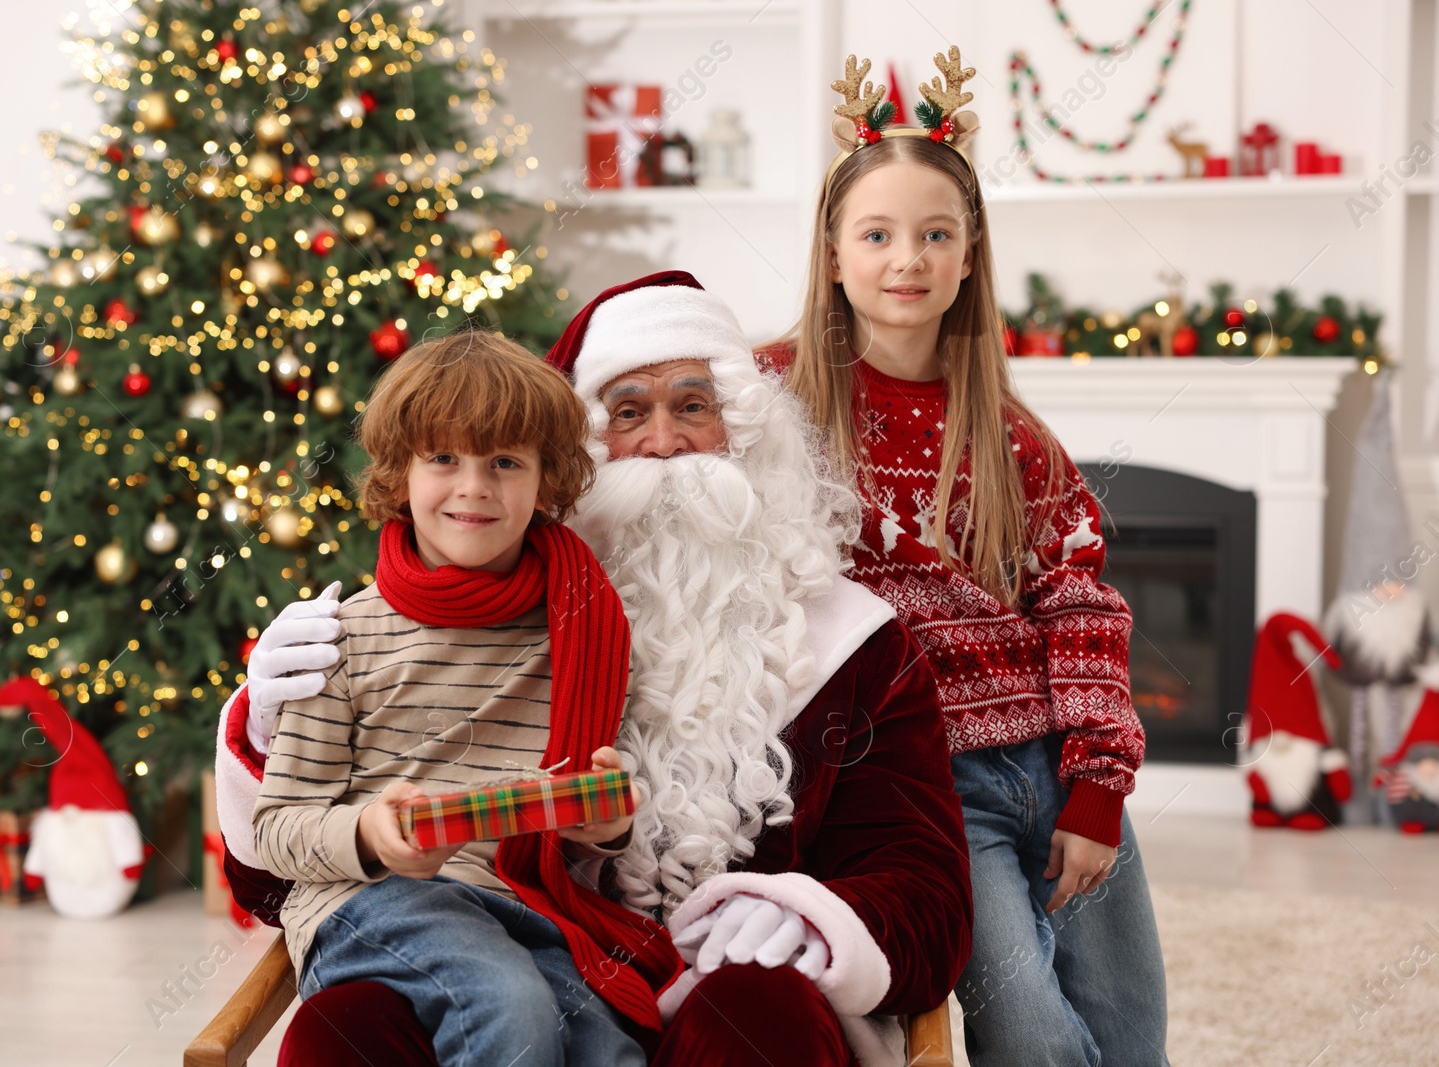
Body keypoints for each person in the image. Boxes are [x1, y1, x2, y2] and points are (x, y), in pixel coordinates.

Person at [218, 272, 972, 1066]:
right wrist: (263, 718)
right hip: (526, 955)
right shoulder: (496, 610)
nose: (663, 442)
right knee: (349, 1026)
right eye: (627, 412)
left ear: (746, 430)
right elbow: (275, 875)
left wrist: (816, 918)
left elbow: (925, 886)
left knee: (755, 1013)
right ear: (579, 452)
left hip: (714, 993)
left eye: (693, 405)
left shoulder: (856, 644)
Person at [760, 50, 1168, 1066]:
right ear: (834, 251)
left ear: (968, 254)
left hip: (1052, 758)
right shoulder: (773, 403)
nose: (908, 257)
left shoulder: (1010, 431)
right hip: (922, 782)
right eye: (879, 233)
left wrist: (1097, 787)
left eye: (936, 234)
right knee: (1026, 1031)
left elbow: (1080, 602)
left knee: (1127, 1027)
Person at [250, 330, 678, 1067]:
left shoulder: (585, 624)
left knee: (609, 1049)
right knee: (505, 1009)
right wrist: (370, 834)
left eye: (504, 461)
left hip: (526, 905)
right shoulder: (344, 634)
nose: (474, 486)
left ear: (547, 480)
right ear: (400, 473)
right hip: (371, 901)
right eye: (443, 458)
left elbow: (592, 813)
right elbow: (277, 825)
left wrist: (606, 823)